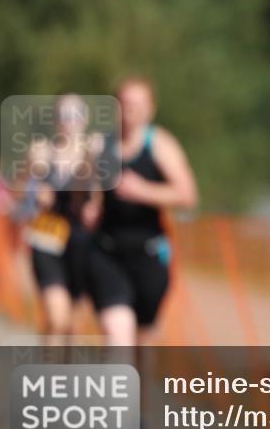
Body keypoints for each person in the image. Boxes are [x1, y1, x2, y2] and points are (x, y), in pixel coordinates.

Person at [88, 77, 198, 346]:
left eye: (138, 105)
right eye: (125, 104)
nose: (131, 111)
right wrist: (88, 206)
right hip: (107, 252)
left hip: (149, 254)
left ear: (151, 108)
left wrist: (143, 191)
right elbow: (86, 190)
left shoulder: (160, 145)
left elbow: (188, 196)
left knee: (143, 341)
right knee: (118, 335)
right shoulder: (99, 145)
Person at [16, 94, 102, 339]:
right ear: (56, 120)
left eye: (75, 115)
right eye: (64, 115)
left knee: (73, 325)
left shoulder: (95, 152)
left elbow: (107, 194)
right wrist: (34, 190)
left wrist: (96, 207)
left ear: (85, 119)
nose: (69, 121)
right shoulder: (41, 152)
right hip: (46, 237)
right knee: (57, 318)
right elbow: (16, 188)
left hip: (81, 241)